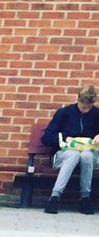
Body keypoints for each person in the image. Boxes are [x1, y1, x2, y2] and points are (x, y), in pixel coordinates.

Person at [42, 84, 99, 213]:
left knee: (86, 155)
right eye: (82, 106)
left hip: (90, 156)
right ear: (78, 100)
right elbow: (46, 138)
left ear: (93, 103)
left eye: (88, 107)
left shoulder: (97, 115)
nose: (84, 110)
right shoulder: (64, 113)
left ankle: (85, 197)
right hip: (64, 155)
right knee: (73, 154)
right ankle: (55, 197)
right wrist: (64, 137)